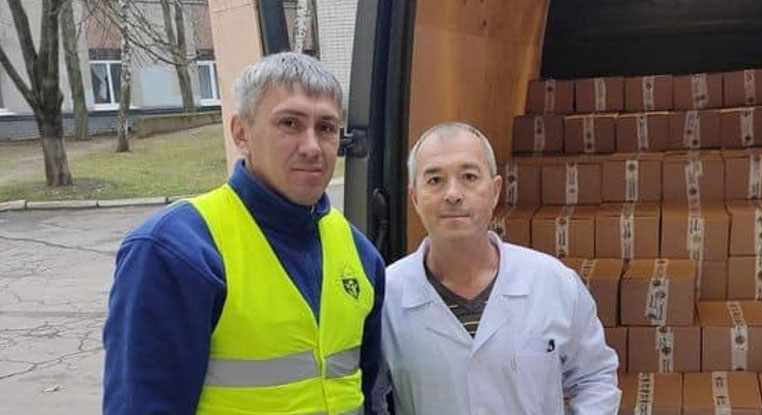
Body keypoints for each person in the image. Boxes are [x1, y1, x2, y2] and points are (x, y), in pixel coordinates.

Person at [103, 52, 386, 415]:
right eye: (290, 123)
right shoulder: (177, 250)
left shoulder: (359, 252)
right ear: (241, 133)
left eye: (327, 128)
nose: (313, 147)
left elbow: (368, 392)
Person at [377, 122, 620, 414]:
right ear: (415, 198)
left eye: (469, 177)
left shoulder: (554, 283)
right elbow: (367, 396)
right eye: (435, 180)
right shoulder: (386, 296)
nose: (453, 194)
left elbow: (595, 378)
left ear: (495, 191)